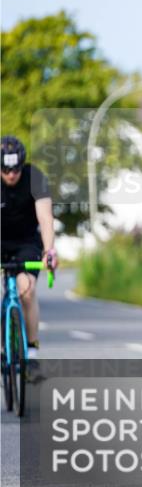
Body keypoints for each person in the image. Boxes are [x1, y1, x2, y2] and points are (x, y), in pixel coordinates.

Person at [0, 135, 58, 380]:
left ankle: (31, 353)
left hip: (26, 242)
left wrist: (49, 251)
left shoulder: (35, 177)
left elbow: (45, 218)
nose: (11, 174)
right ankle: (4, 349)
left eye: (15, 169)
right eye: (5, 169)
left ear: (21, 164)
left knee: (27, 289)